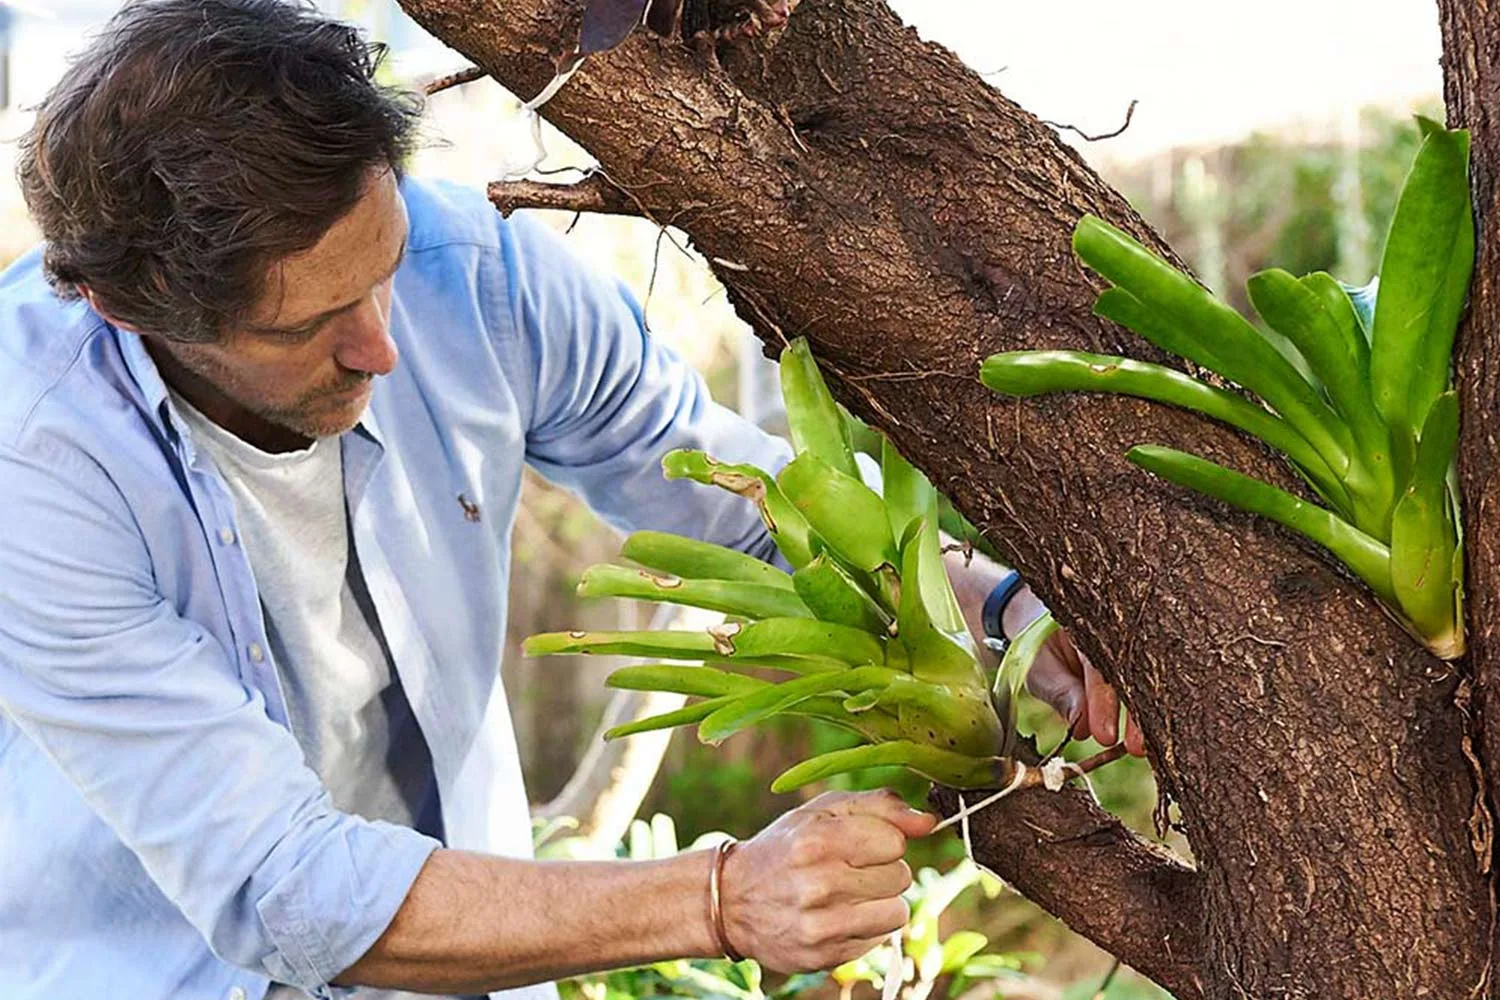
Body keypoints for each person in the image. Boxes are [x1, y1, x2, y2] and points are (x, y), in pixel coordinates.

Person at [0, 2, 1142, 998]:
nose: (382, 347)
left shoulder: (477, 277)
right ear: (124, 307)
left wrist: (1006, 613)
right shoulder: (34, 464)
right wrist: (720, 898)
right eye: (306, 326)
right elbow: (285, 889)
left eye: (382, 268)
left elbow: (746, 503)